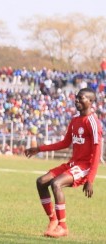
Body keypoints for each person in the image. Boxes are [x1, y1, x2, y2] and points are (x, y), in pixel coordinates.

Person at [24, 88, 102, 238]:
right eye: (76, 97)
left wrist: (90, 179)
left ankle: (63, 227)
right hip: (73, 164)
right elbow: (65, 143)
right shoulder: (74, 120)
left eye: (81, 98)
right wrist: (39, 148)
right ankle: (53, 220)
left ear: (91, 102)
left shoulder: (92, 122)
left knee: (56, 184)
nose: (77, 100)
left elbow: (97, 152)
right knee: (41, 182)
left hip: (84, 167)